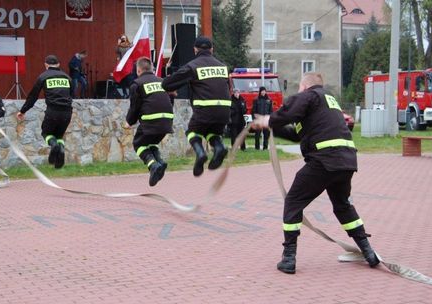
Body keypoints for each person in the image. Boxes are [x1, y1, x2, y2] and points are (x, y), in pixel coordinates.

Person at [252, 72, 380, 274]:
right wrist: (270, 128)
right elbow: (297, 134)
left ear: (304, 86)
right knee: (343, 205)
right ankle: (368, 252)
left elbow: (289, 111)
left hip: (324, 160)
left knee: (293, 200)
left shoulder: (311, 95)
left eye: (299, 89)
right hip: (345, 162)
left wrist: (269, 119)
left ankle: (288, 258)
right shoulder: (327, 103)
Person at [161, 36, 231, 177]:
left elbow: (167, 84)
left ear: (195, 50)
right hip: (224, 110)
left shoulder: (193, 66)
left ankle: (200, 154)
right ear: (212, 49)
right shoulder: (223, 67)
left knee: (192, 132)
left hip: (205, 109)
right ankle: (219, 147)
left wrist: (170, 82)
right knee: (213, 132)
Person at [124, 57, 174, 186]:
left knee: (138, 144)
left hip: (151, 120)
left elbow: (135, 106)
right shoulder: (162, 81)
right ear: (152, 69)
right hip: (167, 120)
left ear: (138, 70)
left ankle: (153, 166)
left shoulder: (137, 84)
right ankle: (160, 162)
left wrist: (129, 122)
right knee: (151, 143)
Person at [17, 55, 73, 169]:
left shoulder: (43, 77)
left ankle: (54, 146)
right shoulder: (67, 77)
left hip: (53, 111)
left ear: (46, 65)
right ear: (58, 64)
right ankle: (60, 153)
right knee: (59, 135)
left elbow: (33, 97)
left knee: (46, 133)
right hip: (67, 112)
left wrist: (23, 110)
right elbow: (72, 94)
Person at [116, 34, 135, 98]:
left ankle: (130, 94)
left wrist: (132, 46)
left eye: (124, 38)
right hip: (122, 65)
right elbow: (116, 52)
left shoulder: (129, 45)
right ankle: (124, 93)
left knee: (129, 80)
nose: (123, 39)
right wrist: (118, 44)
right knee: (123, 80)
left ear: (126, 38)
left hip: (128, 65)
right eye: (122, 38)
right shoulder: (119, 46)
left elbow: (133, 52)